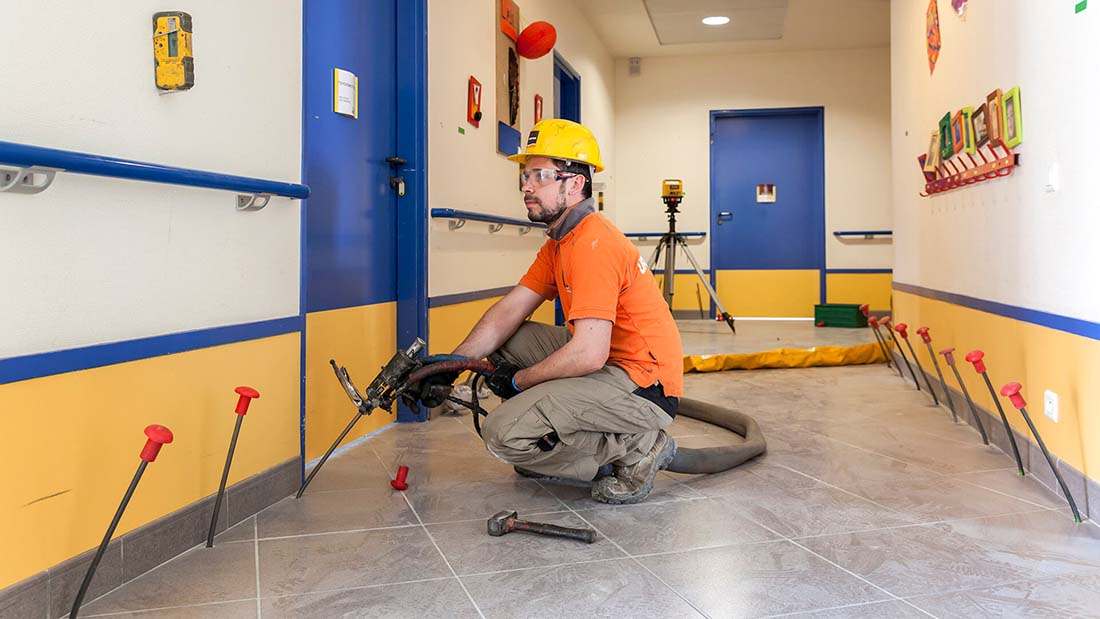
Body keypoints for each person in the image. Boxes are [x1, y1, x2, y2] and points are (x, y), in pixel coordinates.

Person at [423, 119, 684, 504]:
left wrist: (519, 381)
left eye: (540, 176)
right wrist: (450, 365)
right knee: (511, 336)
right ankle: (549, 441)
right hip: (613, 361)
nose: (527, 186)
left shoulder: (594, 244)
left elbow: (588, 353)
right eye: (524, 175)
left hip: (645, 387)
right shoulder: (560, 242)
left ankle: (640, 447)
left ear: (574, 184)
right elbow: (508, 311)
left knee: (501, 434)